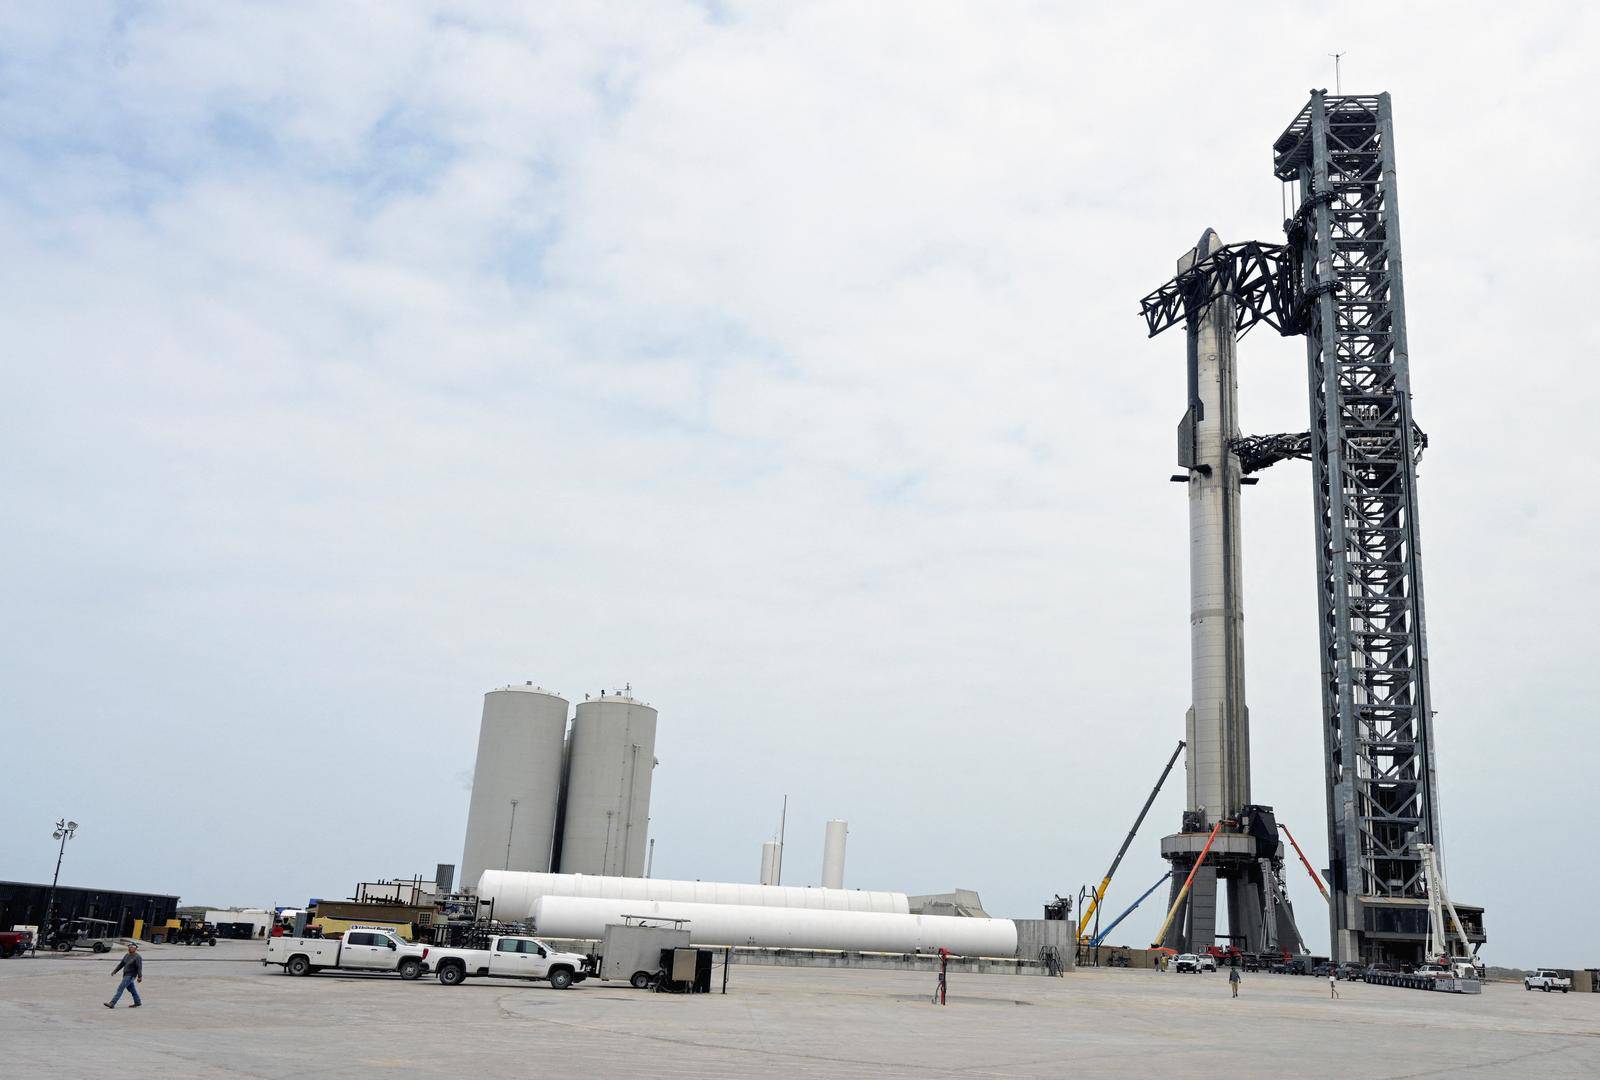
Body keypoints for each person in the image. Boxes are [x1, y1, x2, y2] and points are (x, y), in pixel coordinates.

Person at [105, 943, 143, 1009]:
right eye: (129, 947)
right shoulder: (127, 955)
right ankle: (137, 1002)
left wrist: (140, 977)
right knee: (132, 989)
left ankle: (112, 1003)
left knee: (120, 988)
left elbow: (139, 967)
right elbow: (121, 964)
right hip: (125, 975)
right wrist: (115, 971)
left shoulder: (137, 957)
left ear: (135, 948)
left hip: (130, 976)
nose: (129, 948)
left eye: (131, 947)